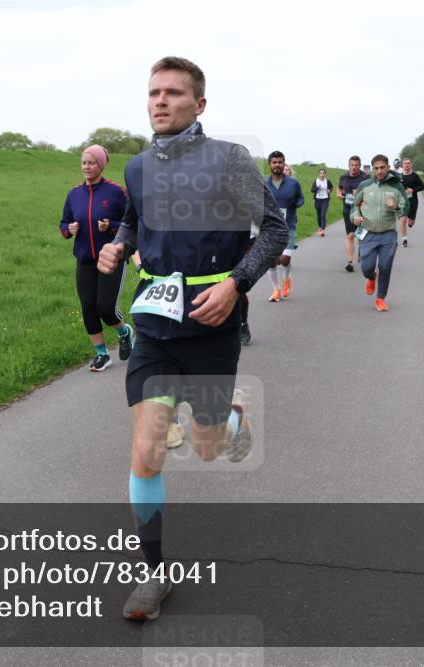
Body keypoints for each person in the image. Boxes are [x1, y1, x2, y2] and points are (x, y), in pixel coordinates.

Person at [97, 56, 287, 621]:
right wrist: (120, 246)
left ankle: (228, 419)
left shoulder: (229, 160)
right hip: (154, 325)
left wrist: (236, 284)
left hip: (211, 324)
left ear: (199, 104)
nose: (160, 101)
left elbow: (273, 230)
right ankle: (152, 579)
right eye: (154, 92)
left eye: (174, 93)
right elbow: (135, 221)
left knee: (207, 446)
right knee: (148, 449)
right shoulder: (136, 167)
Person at [59, 144, 134, 371]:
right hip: (84, 260)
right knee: (88, 308)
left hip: (111, 260)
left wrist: (110, 226)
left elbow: (131, 224)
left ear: (101, 165)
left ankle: (124, 331)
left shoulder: (116, 192)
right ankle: (101, 354)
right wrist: (68, 229)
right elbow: (63, 223)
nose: (86, 167)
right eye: (84, 162)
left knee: (106, 308)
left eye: (91, 162)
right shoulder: (74, 194)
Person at [351, 154, 408, 311]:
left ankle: (380, 299)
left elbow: (406, 207)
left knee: (385, 266)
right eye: (376, 168)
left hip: (388, 234)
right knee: (367, 267)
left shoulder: (397, 186)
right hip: (368, 233)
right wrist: (355, 216)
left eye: (383, 167)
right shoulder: (365, 185)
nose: (380, 171)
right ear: (372, 170)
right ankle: (371, 277)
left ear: (388, 167)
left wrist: (396, 206)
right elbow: (355, 205)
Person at [264, 151, 305, 301]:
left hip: (289, 226)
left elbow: (301, 198)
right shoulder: (264, 183)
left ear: (284, 164)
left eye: (280, 162)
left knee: (284, 259)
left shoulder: (293, 183)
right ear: (270, 164)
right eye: (274, 162)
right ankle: (276, 289)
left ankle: (286, 278)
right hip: (270, 228)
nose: (277, 165)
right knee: (271, 261)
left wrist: (296, 204)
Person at [338, 155, 370, 273]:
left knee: (361, 236)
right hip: (348, 209)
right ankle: (350, 262)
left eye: (356, 165)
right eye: (352, 165)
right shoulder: (343, 177)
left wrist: (361, 194)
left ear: (360, 166)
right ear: (349, 165)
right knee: (350, 235)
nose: (354, 167)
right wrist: (339, 194)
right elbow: (340, 188)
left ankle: (361, 251)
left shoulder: (366, 177)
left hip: (362, 210)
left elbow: (371, 192)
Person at [398, 158, 424, 247]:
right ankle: (404, 239)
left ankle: (411, 223)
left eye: (408, 163)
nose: (406, 165)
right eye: (405, 163)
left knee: (410, 222)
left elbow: (422, 186)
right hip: (402, 202)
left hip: (413, 201)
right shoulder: (399, 177)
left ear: (411, 165)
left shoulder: (415, 176)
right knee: (403, 220)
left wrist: (412, 190)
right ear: (402, 165)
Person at [310, 168, 333, 236]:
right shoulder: (316, 181)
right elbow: (312, 190)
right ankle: (320, 227)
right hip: (317, 200)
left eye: (323, 173)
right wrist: (317, 188)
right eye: (320, 173)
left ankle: (322, 230)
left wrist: (330, 190)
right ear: (318, 174)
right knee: (318, 215)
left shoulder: (327, 181)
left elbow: (331, 187)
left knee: (323, 215)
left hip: (325, 199)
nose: (322, 174)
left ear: (325, 174)